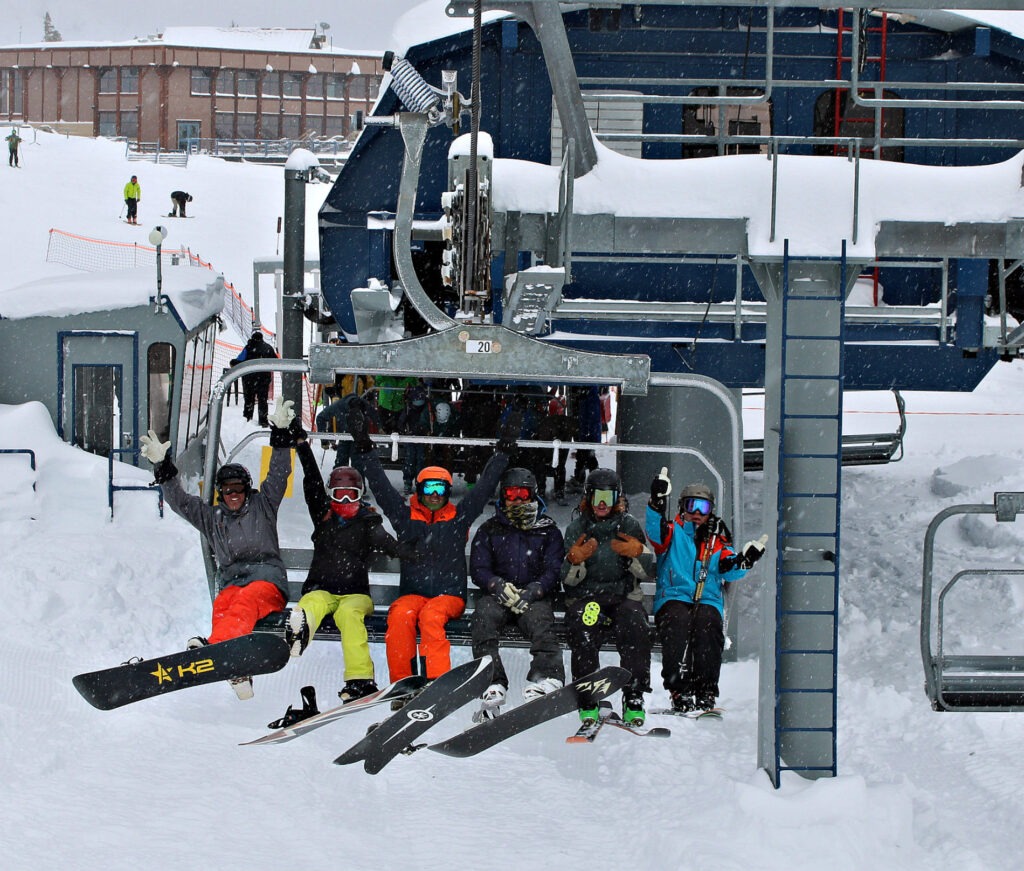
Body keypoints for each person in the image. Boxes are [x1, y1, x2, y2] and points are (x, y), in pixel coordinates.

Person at [347, 400, 520, 687]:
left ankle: (436, 680)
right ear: (419, 490)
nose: (435, 494)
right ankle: (403, 683)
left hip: (448, 597)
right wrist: (363, 445)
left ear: (448, 491)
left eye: (441, 488)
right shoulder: (405, 518)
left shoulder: (458, 518)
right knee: (400, 615)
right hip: (413, 594)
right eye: (429, 488)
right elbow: (380, 487)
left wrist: (503, 451)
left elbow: (486, 486)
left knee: (431, 617)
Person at [138, 398, 296, 699]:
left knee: (245, 601)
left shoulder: (263, 506)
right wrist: (162, 466)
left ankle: (214, 652)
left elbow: (278, 475)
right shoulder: (212, 518)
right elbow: (180, 503)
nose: (233, 495)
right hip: (233, 584)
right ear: (219, 494)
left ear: (246, 488)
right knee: (224, 604)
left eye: (238, 489)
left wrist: (281, 436)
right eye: (227, 491)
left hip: (266, 584)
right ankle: (236, 669)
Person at [285, 425, 416, 702]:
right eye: (339, 494)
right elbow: (310, 479)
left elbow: (389, 544)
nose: (345, 500)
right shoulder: (323, 516)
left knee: (350, 618)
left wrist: (411, 551)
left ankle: (360, 679)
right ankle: (299, 633)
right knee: (311, 602)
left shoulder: (368, 523)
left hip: (355, 595)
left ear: (360, 495)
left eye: (351, 495)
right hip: (321, 588)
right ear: (331, 495)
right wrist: (302, 445)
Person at [645, 476, 767, 714]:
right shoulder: (672, 532)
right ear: (682, 507)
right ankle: (678, 689)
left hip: (707, 598)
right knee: (678, 623)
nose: (697, 513)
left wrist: (744, 561)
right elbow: (654, 533)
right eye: (692, 506)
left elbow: (729, 569)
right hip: (674, 596)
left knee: (708, 625)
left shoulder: (717, 540)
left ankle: (705, 691)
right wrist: (656, 503)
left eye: (704, 508)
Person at [560, 467, 655, 725]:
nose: (602, 504)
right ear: (588, 497)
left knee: (634, 623)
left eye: (609, 497)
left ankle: (633, 693)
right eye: (597, 497)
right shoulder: (578, 527)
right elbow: (566, 579)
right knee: (584, 624)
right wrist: (575, 560)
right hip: (587, 597)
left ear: (618, 499)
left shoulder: (628, 525)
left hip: (622, 596)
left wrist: (638, 553)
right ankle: (588, 693)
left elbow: (648, 570)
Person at [469, 467, 566, 718]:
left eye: (523, 494)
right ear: (503, 496)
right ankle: (492, 682)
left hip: (533, 597)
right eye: (511, 494)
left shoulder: (547, 531)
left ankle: (546, 677)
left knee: (541, 622)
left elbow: (554, 568)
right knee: (483, 617)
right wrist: (496, 585)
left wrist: (536, 589)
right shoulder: (490, 529)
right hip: (499, 596)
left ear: (532, 495)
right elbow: (479, 567)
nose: (517, 500)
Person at [315, 391, 382, 469]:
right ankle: (339, 478)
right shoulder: (338, 406)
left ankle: (358, 477)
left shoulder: (364, 405)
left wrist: (380, 427)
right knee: (341, 463)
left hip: (359, 437)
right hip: (344, 436)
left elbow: (375, 415)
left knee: (358, 463)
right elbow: (320, 418)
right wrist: (324, 440)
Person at [230, 329, 278, 426]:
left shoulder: (248, 347)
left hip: (249, 379)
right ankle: (263, 420)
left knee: (249, 399)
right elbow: (275, 362)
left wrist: (232, 362)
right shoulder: (268, 348)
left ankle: (247, 419)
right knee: (263, 400)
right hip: (264, 379)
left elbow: (239, 360)